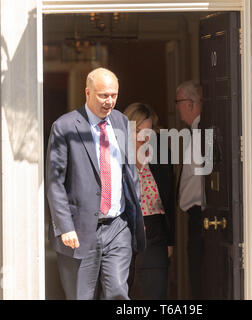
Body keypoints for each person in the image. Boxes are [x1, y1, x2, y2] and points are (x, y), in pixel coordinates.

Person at [46, 67, 145, 300]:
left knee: (119, 293)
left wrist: (136, 214)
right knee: (81, 296)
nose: (109, 101)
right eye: (103, 95)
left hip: (118, 226)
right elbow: (54, 182)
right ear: (87, 92)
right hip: (79, 230)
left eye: (113, 95)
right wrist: (65, 226)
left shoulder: (121, 122)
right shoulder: (65, 126)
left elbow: (130, 172)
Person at [124, 102, 175, 300]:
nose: (142, 138)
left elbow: (169, 199)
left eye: (147, 131)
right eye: (137, 131)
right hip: (124, 232)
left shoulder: (161, 154)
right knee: (123, 293)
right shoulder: (117, 155)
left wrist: (171, 240)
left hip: (155, 233)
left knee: (154, 292)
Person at [175, 80, 206, 300]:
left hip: (201, 216)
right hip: (196, 215)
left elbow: (195, 181)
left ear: (190, 103)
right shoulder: (195, 132)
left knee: (199, 275)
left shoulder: (201, 134)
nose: (176, 107)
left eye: (178, 102)